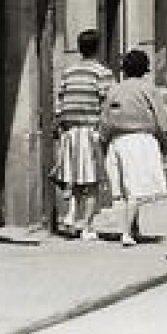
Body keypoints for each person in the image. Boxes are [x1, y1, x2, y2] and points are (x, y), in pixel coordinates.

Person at [99, 48, 167, 248]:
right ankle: (126, 233)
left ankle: (132, 228)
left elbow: (105, 119)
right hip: (140, 140)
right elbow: (163, 119)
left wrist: (104, 141)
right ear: (145, 69)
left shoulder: (114, 89)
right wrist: (165, 141)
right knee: (136, 188)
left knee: (122, 189)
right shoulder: (148, 89)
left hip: (117, 139)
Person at [53, 28, 113, 238]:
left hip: (69, 131)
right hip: (90, 130)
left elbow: (60, 102)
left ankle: (70, 215)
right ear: (98, 48)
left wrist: (59, 124)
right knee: (92, 180)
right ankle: (86, 225)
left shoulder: (68, 72)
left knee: (74, 178)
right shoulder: (102, 73)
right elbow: (107, 104)